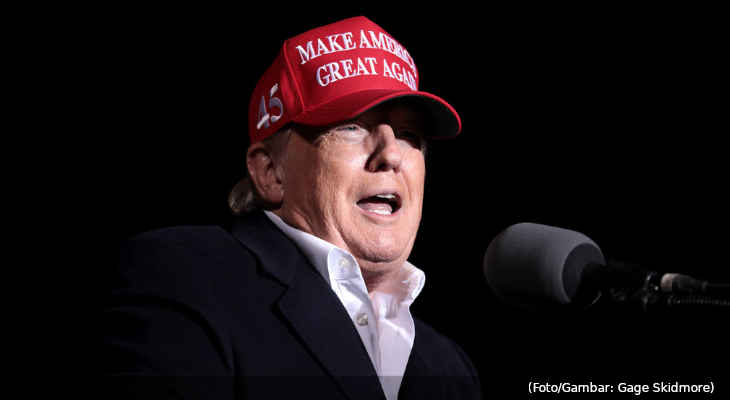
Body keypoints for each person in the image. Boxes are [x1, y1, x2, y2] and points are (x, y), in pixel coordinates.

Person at [104, 16, 481, 400]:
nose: (391, 154)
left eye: (408, 135)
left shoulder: (449, 367)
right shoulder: (185, 276)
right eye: (351, 127)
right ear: (271, 172)